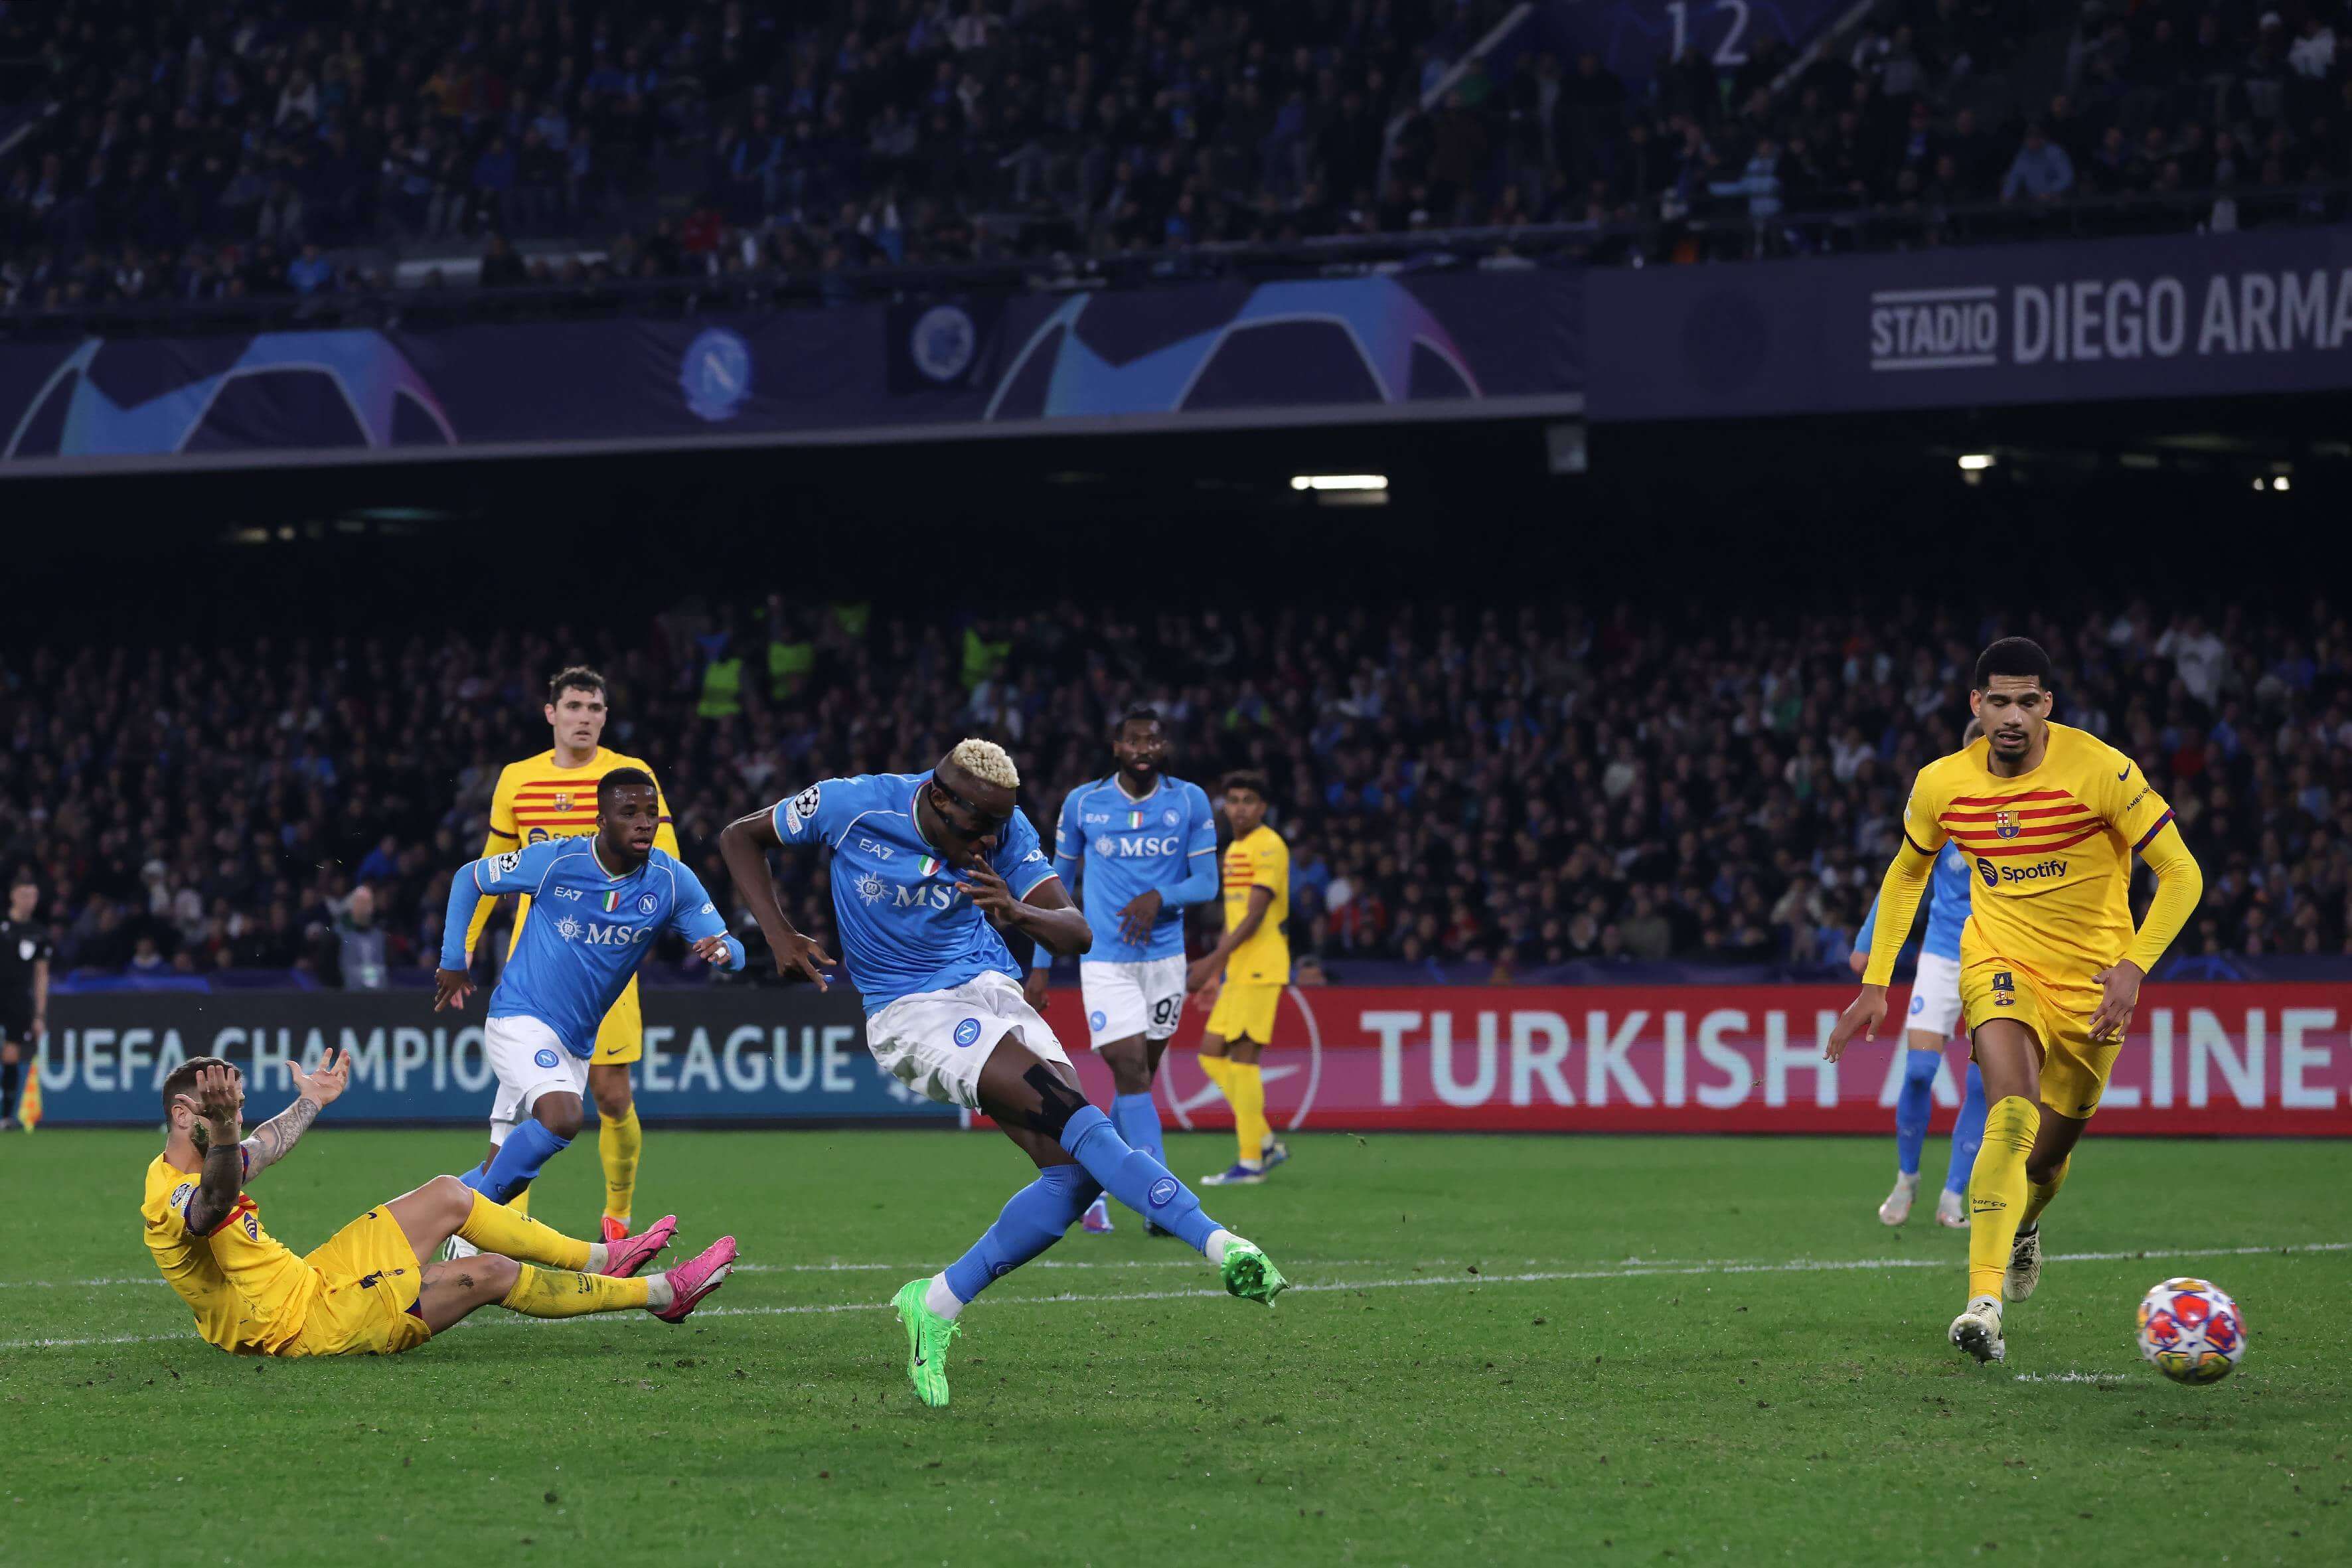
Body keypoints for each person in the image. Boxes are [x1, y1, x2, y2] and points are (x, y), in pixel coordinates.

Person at [717, 738, 1287, 1410]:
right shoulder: (852, 804)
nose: (991, 840)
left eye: (1000, 826)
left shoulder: (1005, 828)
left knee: (1074, 1176)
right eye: (978, 826)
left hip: (992, 987)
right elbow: (739, 837)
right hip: (911, 1011)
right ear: (938, 797)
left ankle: (935, 1301)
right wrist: (778, 933)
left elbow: (1075, 931)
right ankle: (1221, 1244)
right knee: (1080, 1120)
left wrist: (1021, 912)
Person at [1826, 638, 2202, 1365]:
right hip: (1998, 961)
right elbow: (1907, 875)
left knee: (2048, 1156)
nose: (2012, 715)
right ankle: (1983, 1306)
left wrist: (2134, 964)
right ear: (1976, 705)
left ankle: (2024, 1225)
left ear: (2047, 707)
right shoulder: (1943, 783)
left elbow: (2180, 872)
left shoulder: (2103, 771)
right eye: (1998, 700)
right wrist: (1876, 982)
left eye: (2028, 701)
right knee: (2011, 1111)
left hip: (2093, 986)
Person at [143, 1048, 736, 1356]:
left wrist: (312, 1103)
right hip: (306, 1328)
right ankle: (661, 1295)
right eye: (220, 1105)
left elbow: (260, 1147)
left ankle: (601, 1258)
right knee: (493, 1272)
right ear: (182, 1114)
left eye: (236, 1103)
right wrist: (223, 1131)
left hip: (310, 1279)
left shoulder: (207, 1149)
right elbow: (213, 1203)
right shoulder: (172, 1197)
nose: (235, 1115)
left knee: (450, 1193)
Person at [436, 768, 744, 1237]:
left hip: (576, 1041)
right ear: (601, 820)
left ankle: (420, 1214)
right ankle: (470, 1224)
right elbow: (468, 878)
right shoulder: (556, 861)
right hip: (520, 1017)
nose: (644, 823)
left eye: (650, 814)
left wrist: (723, 952)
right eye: (629, 814)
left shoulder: (671, 880)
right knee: (562, 1117)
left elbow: (729, 947)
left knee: (505, 1163)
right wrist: (453, 962)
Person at [463, 666, 680, 1242]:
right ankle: (508, 1227)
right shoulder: (517, 780)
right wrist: (460, 954)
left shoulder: (628, 780)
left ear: (605, 717)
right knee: (530, 1105)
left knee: (611, 1096)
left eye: (595, 708)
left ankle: (618, 1216)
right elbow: (489, 872)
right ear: (551, 713)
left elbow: (667, 867)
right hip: (534, 973)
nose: (584, 716)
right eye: (575, 706)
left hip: (606, 967)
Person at [1024, 708, 1219, 1235]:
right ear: (1116, 747)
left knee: (1138, 1081)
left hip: (1164, 961)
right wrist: (1041, 966)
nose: (1142, 748)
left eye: (1151, 741)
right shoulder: (1084, 803)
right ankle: (1162, 1199)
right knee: (1129, 1069)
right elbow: (1055, 887)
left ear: (1163, 747)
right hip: (1105, 959)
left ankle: (1094, 1182)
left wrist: (1161, 895)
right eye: (1132, 740)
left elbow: (1206, 883)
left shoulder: (1188, 801)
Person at [1852, 721, 1990, 1229]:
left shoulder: (2019, 816)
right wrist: (1868, 941)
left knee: (1980, 1085)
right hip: (1939, 957)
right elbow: (1903, 875)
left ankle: (1954, 1194)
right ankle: (1907, 1177)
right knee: (1916, 1073)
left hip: (1995, 962)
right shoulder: (1945, 809)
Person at [1186, 771, 1293, 1186]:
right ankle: (1264, 1141)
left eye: (1249, 800)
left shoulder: (1268, 845)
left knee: (1244, 1060)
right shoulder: (1236, 849)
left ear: (1262, 808)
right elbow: (1235, 919)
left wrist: (1212, 963)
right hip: (1240, 968)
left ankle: (1250, 1163)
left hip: (1262, 963)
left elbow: (1255, 915)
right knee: (1211, 1054)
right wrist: (1221, 971)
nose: (1240, 807)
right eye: (1233, 800)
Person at [0, 876, 50, 1131]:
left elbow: (41, 975)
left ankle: (5, 1116)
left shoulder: (38, 934)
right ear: (13, 896)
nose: (29, 900)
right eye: (24, 894)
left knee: (11, 1052)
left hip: (18, 998)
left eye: (33, 895)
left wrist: (39, 1015)